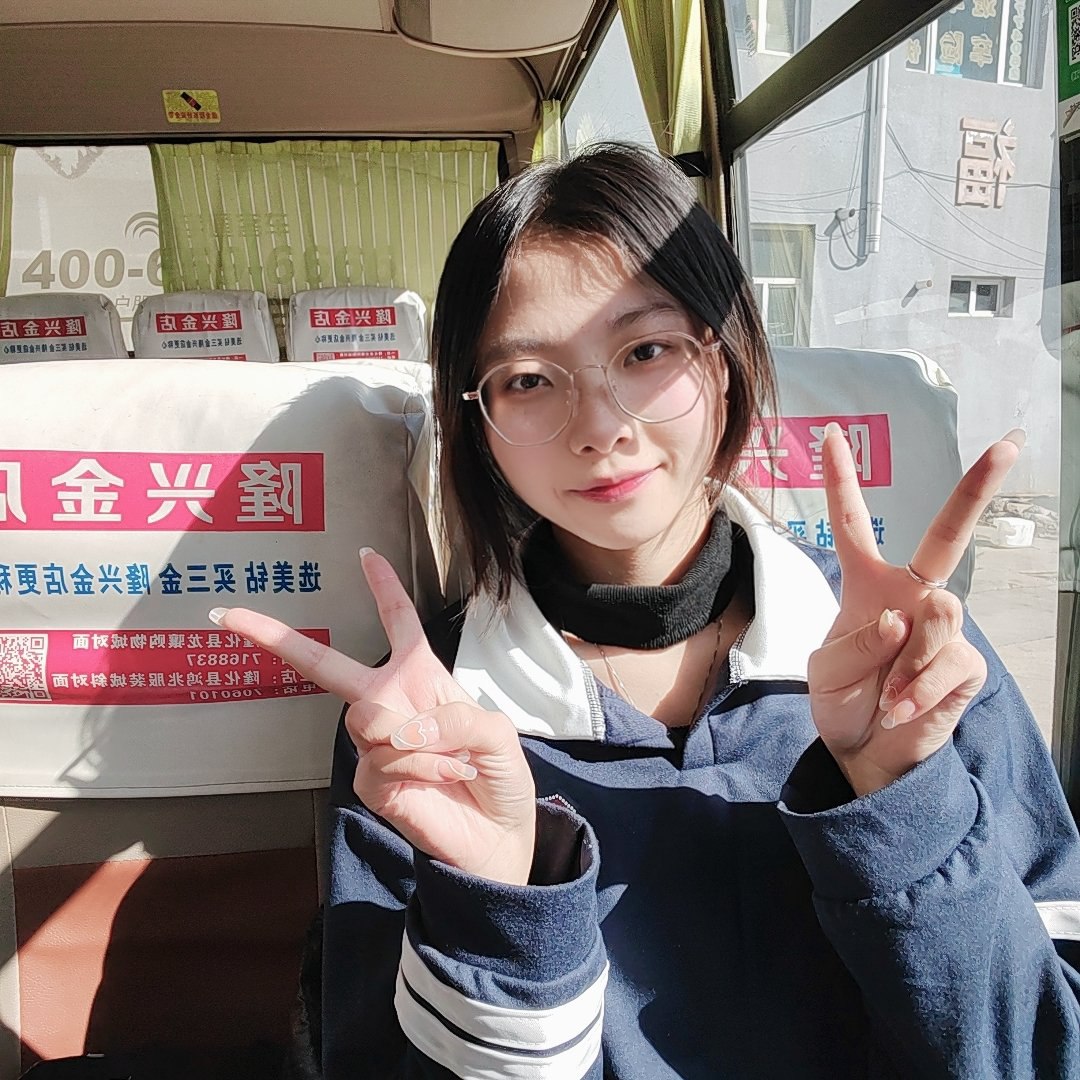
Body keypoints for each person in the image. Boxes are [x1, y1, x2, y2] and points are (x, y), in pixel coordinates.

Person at [210, 144, 1080, 1078]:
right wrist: (500, 902)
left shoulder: (903, 658)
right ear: (480, 421)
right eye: (529, 379)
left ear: (726, 359)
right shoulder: (426, 716)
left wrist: (904, 800)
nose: (600, 426)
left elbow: (1040, 1050)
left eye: (647, 351)